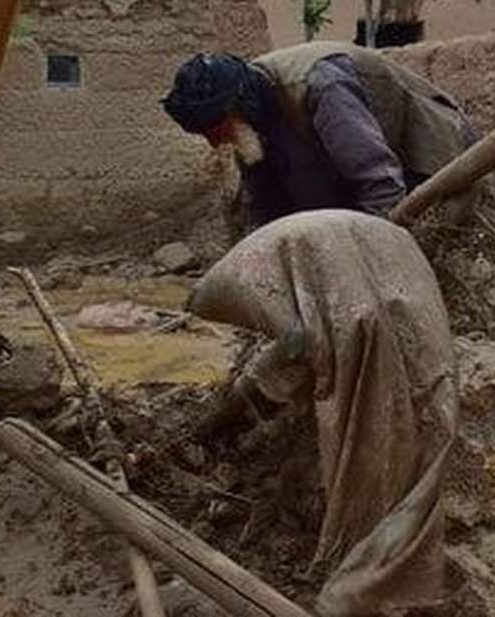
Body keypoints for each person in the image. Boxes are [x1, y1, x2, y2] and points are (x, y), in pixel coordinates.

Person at [187, 209, 458, 615]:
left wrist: (237, 404)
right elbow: (293, 345)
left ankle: (372, 570)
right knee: (419, 403)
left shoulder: (250, 286)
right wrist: (244, 394)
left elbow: (299, 340)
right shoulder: (285, 278)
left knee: (388, 433)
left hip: (364, 289)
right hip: (388, 260)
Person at [162, 41, 476, 226]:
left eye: (216, 130)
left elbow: (379, 185)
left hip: (434, 157)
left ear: (237, 107)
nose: (215, 143)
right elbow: (266, 210)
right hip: (379, 174)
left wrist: (368, 261)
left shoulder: (320, 86)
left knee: (438, 236)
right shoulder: (251, 123)